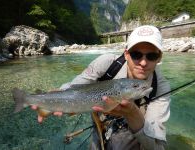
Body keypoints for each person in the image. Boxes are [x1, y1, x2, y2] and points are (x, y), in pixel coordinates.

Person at [32, 25, 170, 150]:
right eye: (136, 55)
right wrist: (57, 95)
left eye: (151, 56)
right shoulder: (107, 63)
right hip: (100, 119)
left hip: (135, 127)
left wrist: (132, 113)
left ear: (159, 57)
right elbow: (78, 84)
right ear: (126, 54)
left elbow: (156, 147)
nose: (143, 62)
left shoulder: (160, 87)